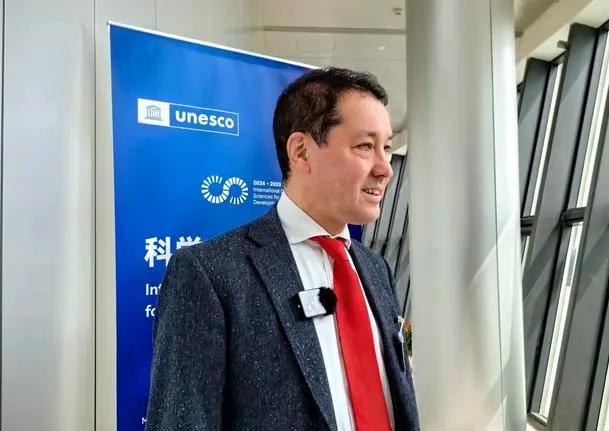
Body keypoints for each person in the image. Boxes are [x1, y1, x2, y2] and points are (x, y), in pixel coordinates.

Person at [145, 67, 420, 431]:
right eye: (365, 146)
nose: (385, 169)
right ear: (301, 151)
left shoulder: (375, 268)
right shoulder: (211, 274)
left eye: (386, 147)